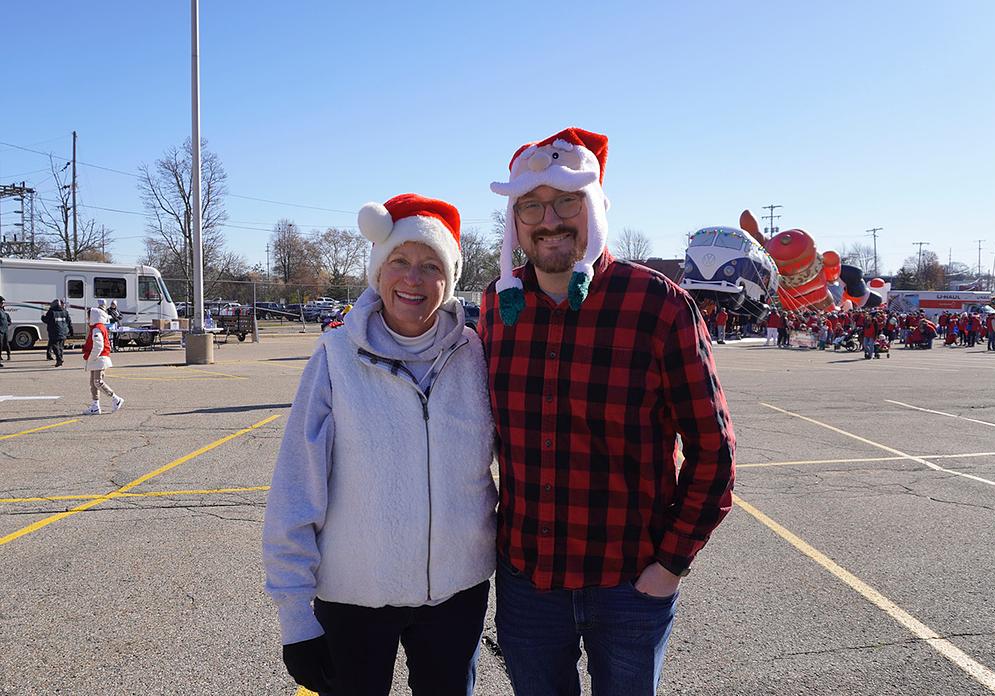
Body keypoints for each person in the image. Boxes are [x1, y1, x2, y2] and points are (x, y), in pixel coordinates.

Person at [480, 127, 736, 696]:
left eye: (566, 200)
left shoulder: (659, 304)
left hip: (628, 583)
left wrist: (670, 564)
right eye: (531, 205)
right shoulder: (496, 309)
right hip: (528, 583)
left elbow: (714, 451)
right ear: (514, 221)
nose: (550, 219)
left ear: (593, 205)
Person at [262, 194, 496, 696]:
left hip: (455, 596)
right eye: (399, 261)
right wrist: (295, 616)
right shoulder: (335, 358)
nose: (413, 278)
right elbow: (296, 486)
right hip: (354, 599)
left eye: (430, 265)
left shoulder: (475, 356)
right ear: (377, 271)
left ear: (449, 279)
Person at [82, 307, 124, 414]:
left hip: (99, 358)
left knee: (98, 382)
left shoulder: (97, 328)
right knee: (93, 383)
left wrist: (91, 358)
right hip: (97, 358)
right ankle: (95, 406)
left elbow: (98, 346)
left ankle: (116, 399)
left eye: (89, 316)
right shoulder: (97, 327)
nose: (87, 318)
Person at [41, 299, 74, 367]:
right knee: (61, 347)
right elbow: (69, 322)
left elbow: (46, 320)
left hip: (54, 332)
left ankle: (59, 359)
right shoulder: (65, 312)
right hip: (64, 332)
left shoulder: (51, 312)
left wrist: (42, 317)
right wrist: (71, 331)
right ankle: (60, 359)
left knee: (55, 346)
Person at [0, 296, 9, 367]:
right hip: (0, 331)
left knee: (3, 345)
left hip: (4, 330)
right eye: (2, 302)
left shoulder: (2, 310)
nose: (3, 304)